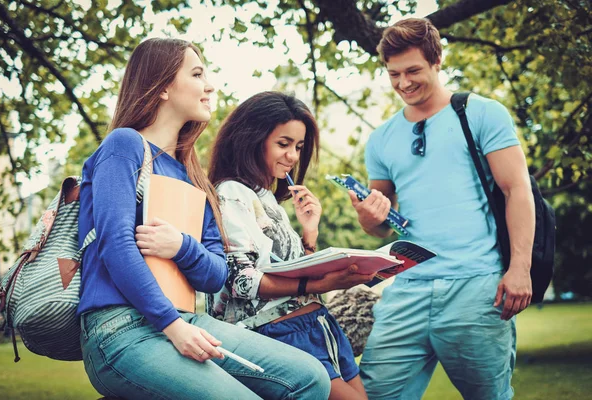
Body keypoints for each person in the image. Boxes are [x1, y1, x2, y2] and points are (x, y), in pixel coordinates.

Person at [77, 38, 331, 400]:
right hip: (121, 328)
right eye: (197, 74)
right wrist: (173, 326)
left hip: (186, 318)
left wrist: (181, 247)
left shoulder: (191, 176)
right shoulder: (124, 145)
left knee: (310, 378)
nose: (210, 85)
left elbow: (215, 275)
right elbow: (115, 245)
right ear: (162, 86)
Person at [350, 18, 535, 400]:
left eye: (413, 70)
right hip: (406, 290)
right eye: (394, 74)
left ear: (437, 61)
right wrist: (369, 218)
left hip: (477, 286)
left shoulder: (482, 113)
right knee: (373, 395)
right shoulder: (381, 139)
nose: (404, 83)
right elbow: (381, 225)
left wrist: (520, 267)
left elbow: (517, 190)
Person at [207, 91, 372, 400]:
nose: (294, 156)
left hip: (316, 325)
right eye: (283, 144)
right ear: (250, 139)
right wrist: (326, 281)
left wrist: (309, 236)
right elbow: (242, 282)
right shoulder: (231, 193)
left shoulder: (266, 197)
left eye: (298, 146)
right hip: (278, 334)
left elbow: (293, 275)